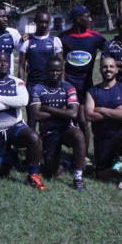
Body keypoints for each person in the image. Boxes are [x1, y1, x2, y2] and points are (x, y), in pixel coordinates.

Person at [0, 52, 45, 190]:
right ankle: (11, 156)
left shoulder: (16, 81)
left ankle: (33, 175)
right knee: (0, 172)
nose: (3, 64)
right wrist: (12, 104)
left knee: (33, 137)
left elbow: (23, 101)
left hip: (16, 127)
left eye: (6, 61)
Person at [29, 59, 86, 191]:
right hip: (48, 132)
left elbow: (73, 114)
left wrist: (48, 108)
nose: (55, 73)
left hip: (66, 129)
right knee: (51, 173)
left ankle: (78, 178)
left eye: (58, 70)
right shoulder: (38, 88)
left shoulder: (68, 87)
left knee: (79, 135)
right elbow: (36, 115)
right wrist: (62, 112)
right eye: (52, 70)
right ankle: (68, 162)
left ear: (62, 71)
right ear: (46, 71)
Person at [59, 5, 106, 166]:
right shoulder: (64, 37)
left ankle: (83, 156)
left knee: (84, 121)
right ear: (79, 19)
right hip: (68, 87)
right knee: (67, 121)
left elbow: (111, 50)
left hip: (86, 87)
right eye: (88, 16)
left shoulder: (96, 37)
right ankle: (60, 152)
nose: (91, 19)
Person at [85, 57, 122, 189]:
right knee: (103, 177)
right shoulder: (92, 92)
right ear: (100, 70)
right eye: (105, 67)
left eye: (111, 66)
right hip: (102, 138)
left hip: (120, 134)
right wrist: (116, 111)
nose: (108, 69)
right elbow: (89, 116)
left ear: (116, 70)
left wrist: (101, 110)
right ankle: (102, 166)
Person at [18, 10, 63, 127]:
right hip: (32, 85)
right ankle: (32, 138)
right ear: (35, 22)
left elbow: (61, 65)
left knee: (50, 117)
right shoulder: (27, 41)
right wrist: (21, 86)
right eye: (41, 22)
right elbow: (21, 66)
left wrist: (62, 84)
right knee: (32, 118)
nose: (44, 25)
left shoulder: (55, 41)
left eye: (47, 22)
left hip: (50, 85)